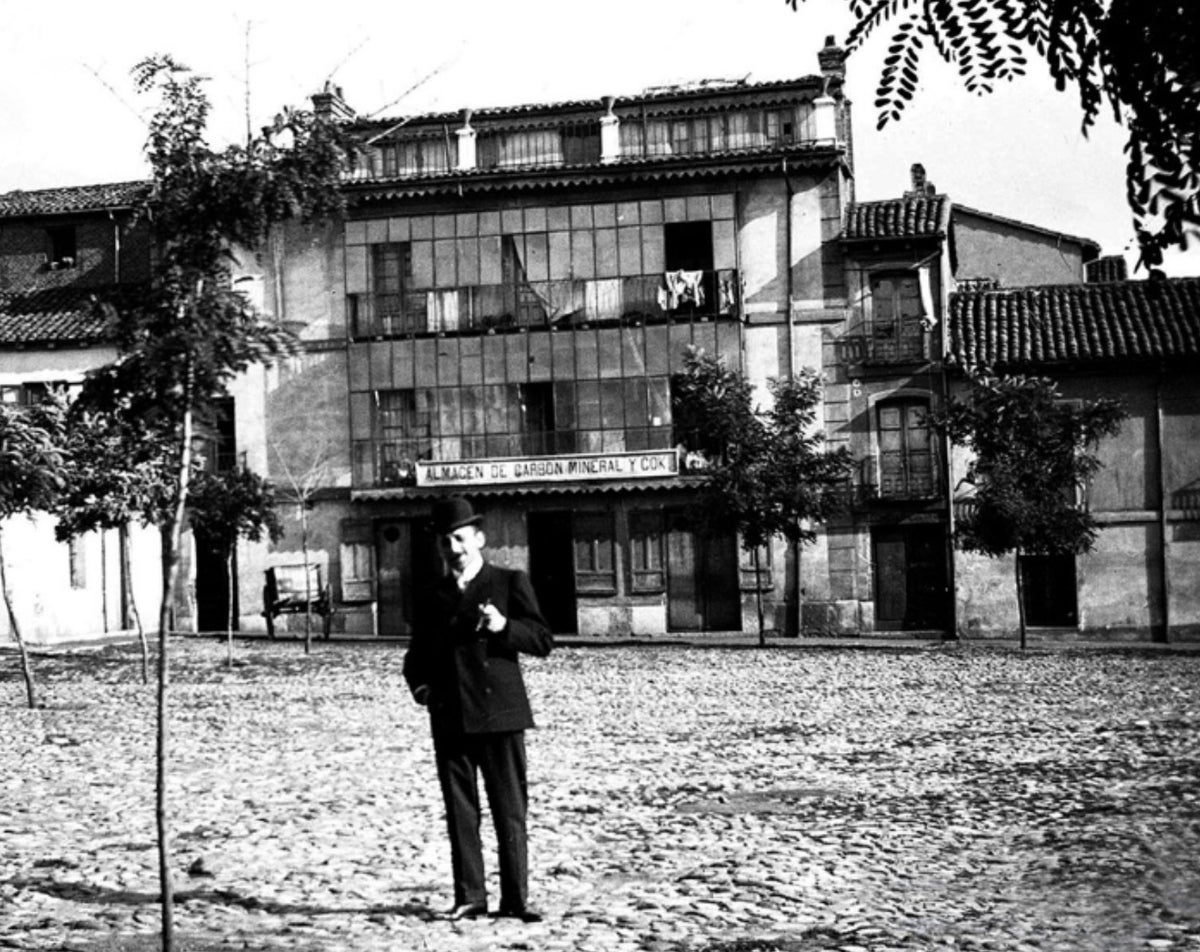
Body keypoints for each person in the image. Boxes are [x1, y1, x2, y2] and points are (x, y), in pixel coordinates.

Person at [403, 496, 554, 922]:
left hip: (501, 715)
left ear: (479, 538)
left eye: (460, 538)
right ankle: (470, 896)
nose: (453, 548)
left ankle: (515, 900)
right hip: (451, 718)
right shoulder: (432, 595)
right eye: (445, 541)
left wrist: (505, 627)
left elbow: (542, 640)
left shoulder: (508, 582)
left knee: (510, 810)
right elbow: (415, 659)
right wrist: (423, 690)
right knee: (461, 812)